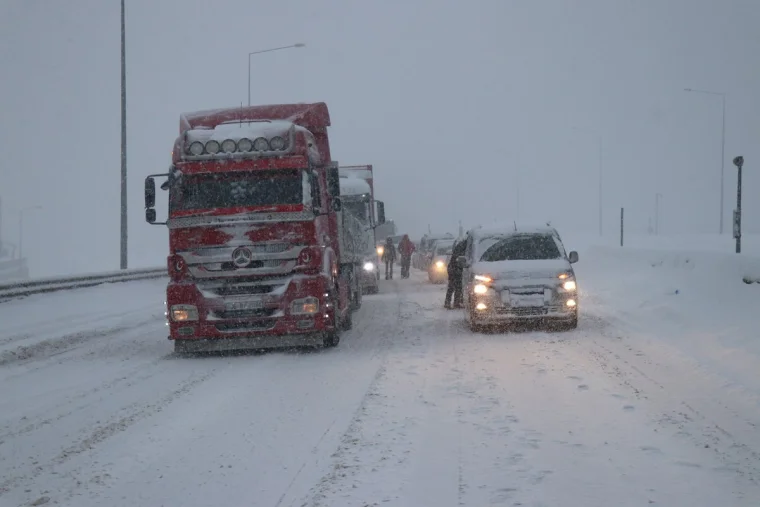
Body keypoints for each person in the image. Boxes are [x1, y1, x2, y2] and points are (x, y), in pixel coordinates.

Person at [444, 238, 467, 309]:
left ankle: (455, 303)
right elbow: (458, 257)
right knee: (453, 286)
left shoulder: (462, 245)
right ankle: (449, 303)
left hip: (455, 267)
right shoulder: (463, 246)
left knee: (457, 286)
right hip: (454, 268)